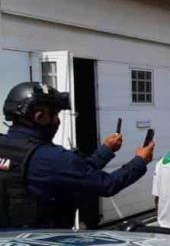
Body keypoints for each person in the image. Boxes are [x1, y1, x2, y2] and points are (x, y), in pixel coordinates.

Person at [0, 81, 154, 229]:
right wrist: (140, 161)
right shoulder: (50, 157)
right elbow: (107, 184)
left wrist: (106, 150)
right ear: (39, 117)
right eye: (55, 115)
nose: (57, 121)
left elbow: (78, 173)